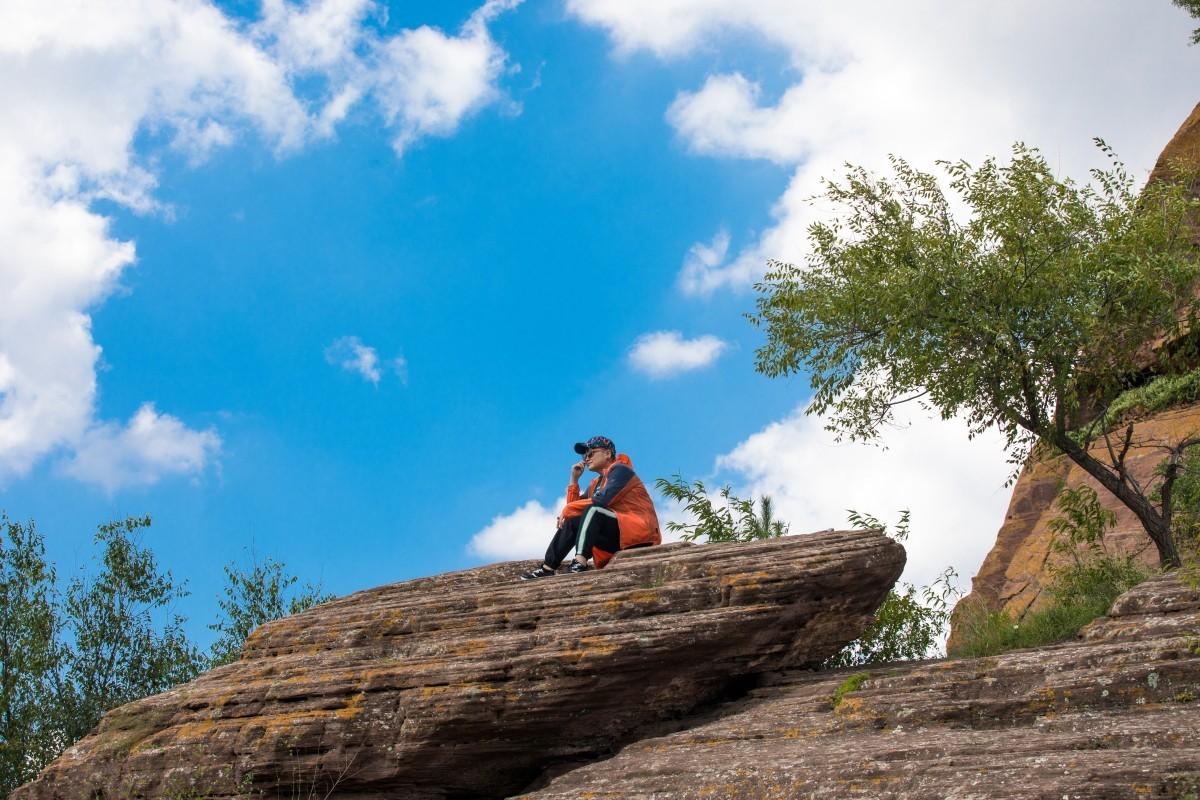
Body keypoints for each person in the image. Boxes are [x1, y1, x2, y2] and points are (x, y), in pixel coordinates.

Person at [520, 436, 661, 579]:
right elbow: (574, 512)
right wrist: (574, 480)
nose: (587, 458)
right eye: (585, 454)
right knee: (576, 518)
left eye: (591, 453)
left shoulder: (621, 470)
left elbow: (602, 500)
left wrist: (569, 510)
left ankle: (580, 562)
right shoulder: (596, 483)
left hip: (640, 535)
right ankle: (548, 567)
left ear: (607, 454)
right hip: (618, 539)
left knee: (594, 510)